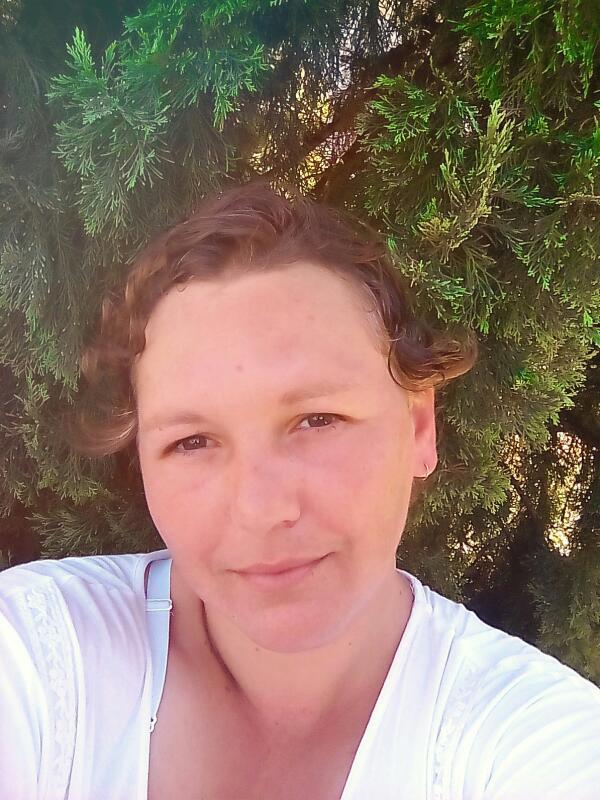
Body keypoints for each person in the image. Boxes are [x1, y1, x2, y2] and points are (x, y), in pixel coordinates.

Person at [0, 182, 599, 800]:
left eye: (317, 420)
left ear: (419, 426)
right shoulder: (38, 658)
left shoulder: (533, 745)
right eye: (192, 441)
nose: (262, 510)